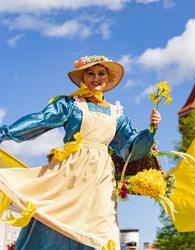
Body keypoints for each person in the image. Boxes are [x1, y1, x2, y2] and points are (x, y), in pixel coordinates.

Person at [0, 55, 161, 250]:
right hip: (70, 173)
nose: (96, 78)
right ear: (83, 77)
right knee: (54, 221)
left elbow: (130, 148)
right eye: (90, 73)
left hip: (101, 178)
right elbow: (40, 120)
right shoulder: (70, 105)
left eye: (101, 73)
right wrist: (5, 133)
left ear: (107, 78)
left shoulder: (116, 113)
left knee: (100, 228)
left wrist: (151, 130)